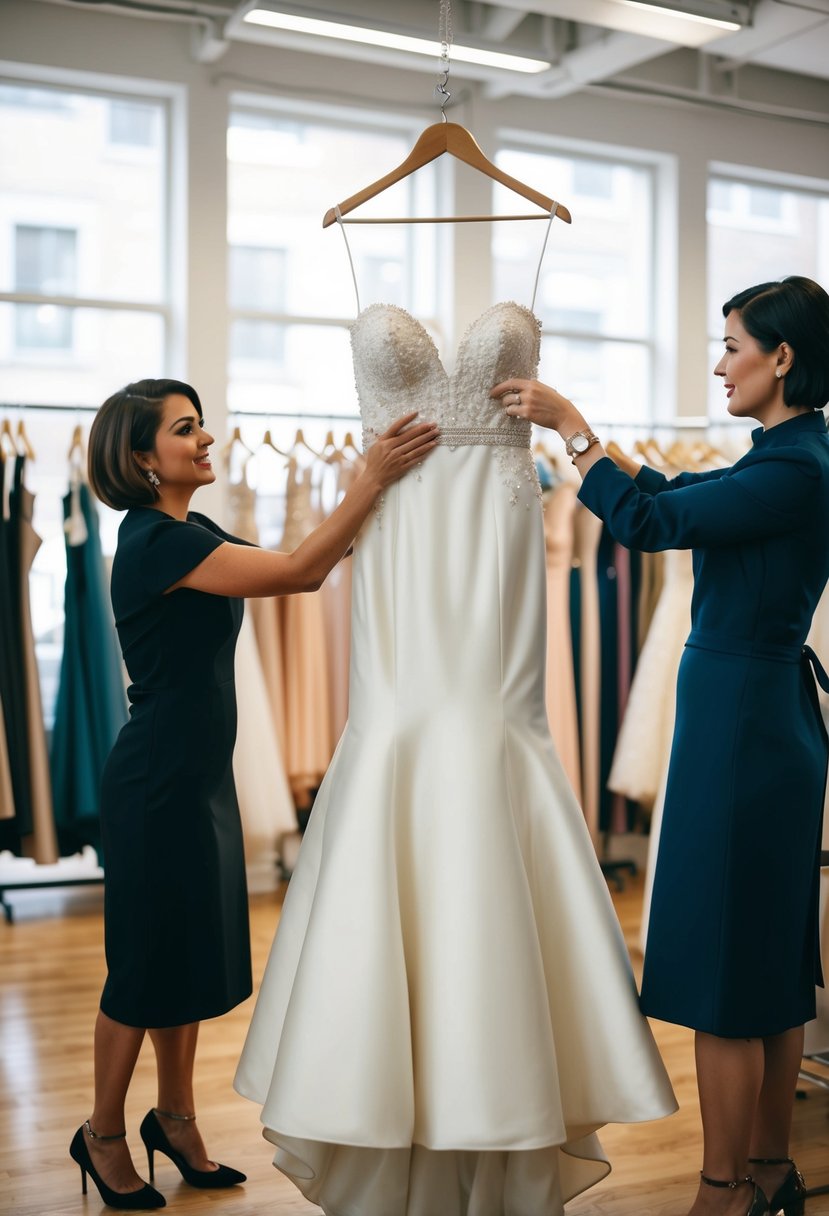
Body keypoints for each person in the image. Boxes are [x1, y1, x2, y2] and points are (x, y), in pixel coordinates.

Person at [492, 274, 829, 1216]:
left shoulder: (795, 468)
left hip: (742, 726)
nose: (719, 364)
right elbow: (678, 491)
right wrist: (603, 457)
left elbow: (651, 523)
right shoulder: (791, 454)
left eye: (730, 345)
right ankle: (768, 1172)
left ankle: (721, 1189)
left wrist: (573, 428)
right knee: (768, 964)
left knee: (730, 969)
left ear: (781, 356)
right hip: (758, 718)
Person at [71, 378, 438, 1211]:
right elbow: (302, 574)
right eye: (184, 430)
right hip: (157, 780)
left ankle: (174, 1116)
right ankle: (101, 1133)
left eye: (201, 426)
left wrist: (399, 501)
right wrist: (369, 479)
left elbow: (310, 554)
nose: (206, 440)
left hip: (195, 777)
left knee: (184, 954)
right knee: (139, 968)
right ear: (140, 456)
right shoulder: (153, 542)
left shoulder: (188, 528)